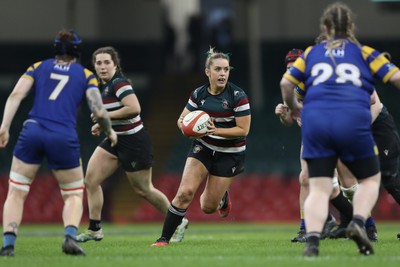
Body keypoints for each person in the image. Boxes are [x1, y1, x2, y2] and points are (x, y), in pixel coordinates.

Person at [280, 2, 400, 256]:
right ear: (352, 27)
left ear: (325, 27)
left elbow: (286, 83)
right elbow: (395, 78)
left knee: (319, 186)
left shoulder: (311, 53)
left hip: (317, 123)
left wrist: (294, 109)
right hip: (351, 120)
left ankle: (312, 242)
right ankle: (359, 222)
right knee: (370, 180)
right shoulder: (362, 52)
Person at [0, 30, 117, 257]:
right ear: (78, 51)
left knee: (16, 191)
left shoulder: (37, 67)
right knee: (72, 193)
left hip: (32, 131)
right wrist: (110, 131)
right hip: (63, 135)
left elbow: (16, 94)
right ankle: (70, 237)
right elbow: (98, 109)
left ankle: (8, 245)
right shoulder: (85, 75)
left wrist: (4, 127)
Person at [76, 46, 188, 243]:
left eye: (106, 63)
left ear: (115, 65)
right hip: (114, 139)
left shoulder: (120, 83)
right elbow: (115, 115)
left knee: (144, 190)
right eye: (99, 63)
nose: (102, 67)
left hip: (134, 142)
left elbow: (134, 108)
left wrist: (105, 116)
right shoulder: (104, 87)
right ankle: (95, 229)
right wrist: (102, 126)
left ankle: (178, 221)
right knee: (91, 180)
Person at [151, 47, 251, 246]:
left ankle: (222, 198)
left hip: (230, 154)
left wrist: (214, 131)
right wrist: (185, 128)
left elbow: (243, 130)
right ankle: (163, 239)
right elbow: (181, 119)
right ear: (208, 72)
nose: (223, 74)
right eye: (218, 69)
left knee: (207, 207)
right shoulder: (198, 94)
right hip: (203, 148)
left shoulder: (238, 96)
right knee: (184, 193)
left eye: (226, 70)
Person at [276, 49, 354, 243]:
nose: (292, 71)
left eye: (295, 67)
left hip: (335, 134)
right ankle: (307, 227)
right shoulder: (292, 88)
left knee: (344, 185)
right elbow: (290, 120)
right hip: (312, 137)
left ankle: (361, 223)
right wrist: (283, 115)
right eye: (288, 68)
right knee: (305, 179)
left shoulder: (318, 81)